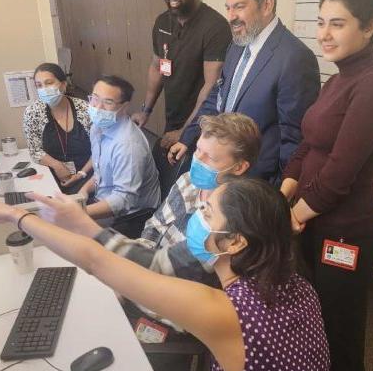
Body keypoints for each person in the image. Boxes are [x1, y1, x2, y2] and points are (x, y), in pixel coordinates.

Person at [0, 177, 342, 371]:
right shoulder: (294, 283)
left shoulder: (227, 312)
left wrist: (14, 216)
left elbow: (96, 261)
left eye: (206, 212)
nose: (196, 215)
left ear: (233, 242)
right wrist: (78, 221)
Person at [280, 0, 373, 371]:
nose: (325, 34)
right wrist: (283, 194)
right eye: (320, 22)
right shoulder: (337, 79)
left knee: (340, 336)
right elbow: (306, 145)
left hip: (346, 233)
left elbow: (339, 172)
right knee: (315, 326)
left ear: (369, 27)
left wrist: (293, 216)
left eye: (338, 23)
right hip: (315, 223)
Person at [30, 113, 261, 286]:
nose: (197, 160)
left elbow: (166, 268)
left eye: (209, 157)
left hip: (171, 293)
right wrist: (132, 255)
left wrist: (88, 229)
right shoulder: (189, 180)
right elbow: (154, 226)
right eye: (197, 150)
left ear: (239, 167)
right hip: (146, 266)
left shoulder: (227, 219)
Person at [168, 0, 320, 183]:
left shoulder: (295, 58)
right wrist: (189, 136)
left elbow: (295, 139)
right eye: (228, 7)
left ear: (267, 4)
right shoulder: (238, 45)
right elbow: (217, 97)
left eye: (239, 7)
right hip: (223, 171)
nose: (230, 16)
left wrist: (278, 195)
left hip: (257, 181)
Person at [132, 0, 231, 150]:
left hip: (204, 127)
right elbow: (157, 67)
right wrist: (146, 110)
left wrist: (185, 132)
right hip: (174, 118)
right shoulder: (162, 22)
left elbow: (211, 87)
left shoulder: (215, 27)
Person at [78, 75, 160, 220]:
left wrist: (80, 213)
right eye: (95, 99)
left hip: (129, 215)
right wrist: (83, 192)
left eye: (108, 102)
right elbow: (100, 174)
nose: (98, 107)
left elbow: (124, 200)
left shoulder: (128, 145)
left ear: (124, 107)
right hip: (103, 200)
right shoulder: (97, 127)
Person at [23, 63, 93, 194]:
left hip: (87, 176)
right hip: (51, 177)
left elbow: (100, 149)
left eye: (49, 83)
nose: (44, 89)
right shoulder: (33, 112)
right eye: (39, 85)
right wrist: (57, 165)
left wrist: (81, 174)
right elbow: (35, 150)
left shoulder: (85, 109)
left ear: (63, 84)